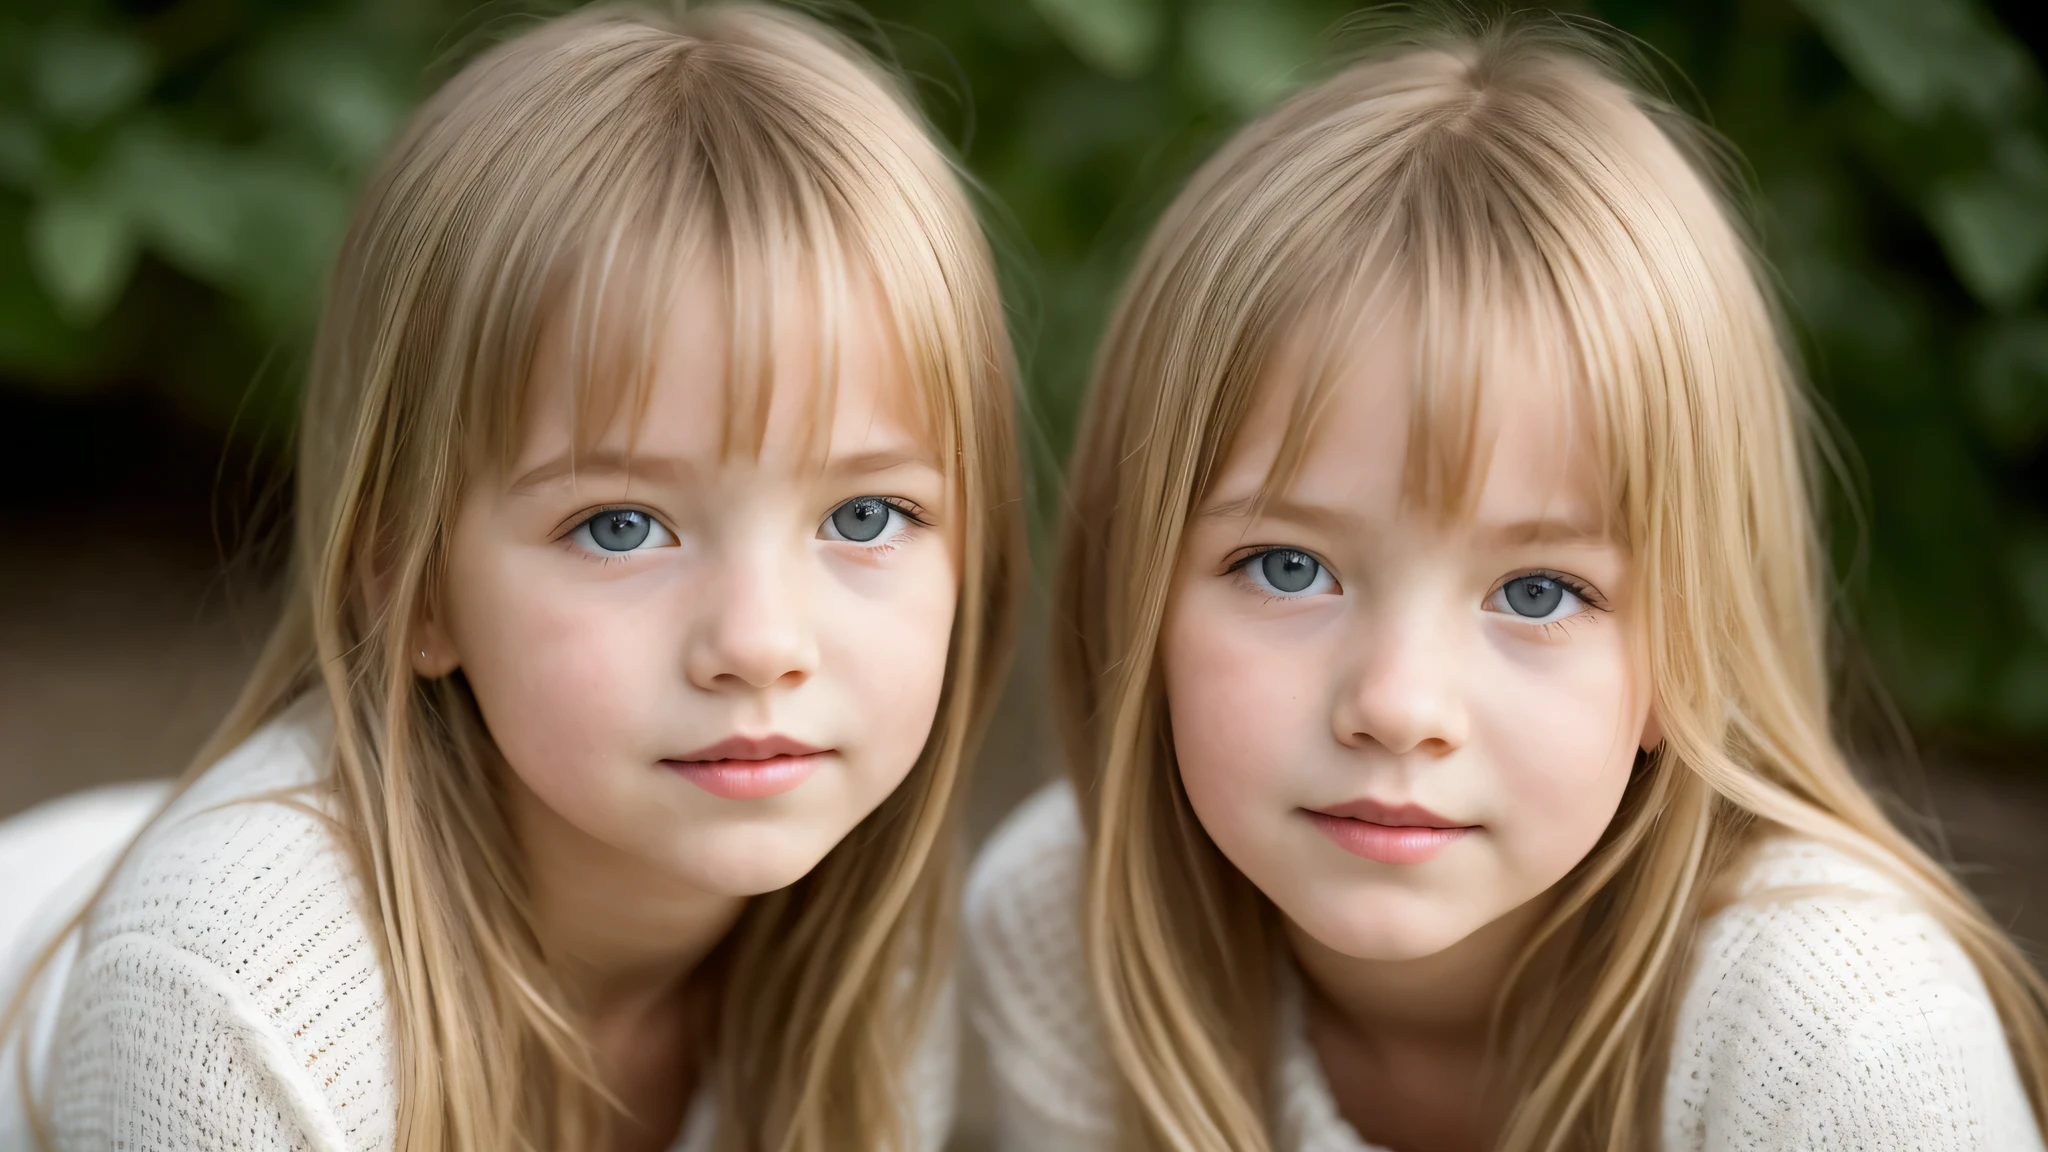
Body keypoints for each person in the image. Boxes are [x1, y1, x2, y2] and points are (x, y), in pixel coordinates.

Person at [967, 14, 2048, 1152]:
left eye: (1536, 593)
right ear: (1127, 593)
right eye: (1289, 568)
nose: (1396, 705)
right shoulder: (1061, 934)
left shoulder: (1840, 1036)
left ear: (1686, 651)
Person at [1, 5, 1022, 1149]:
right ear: (408, 580)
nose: (760, 641)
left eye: (864, 512)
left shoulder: (869, 919)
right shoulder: (242, 994)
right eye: (621, 527)